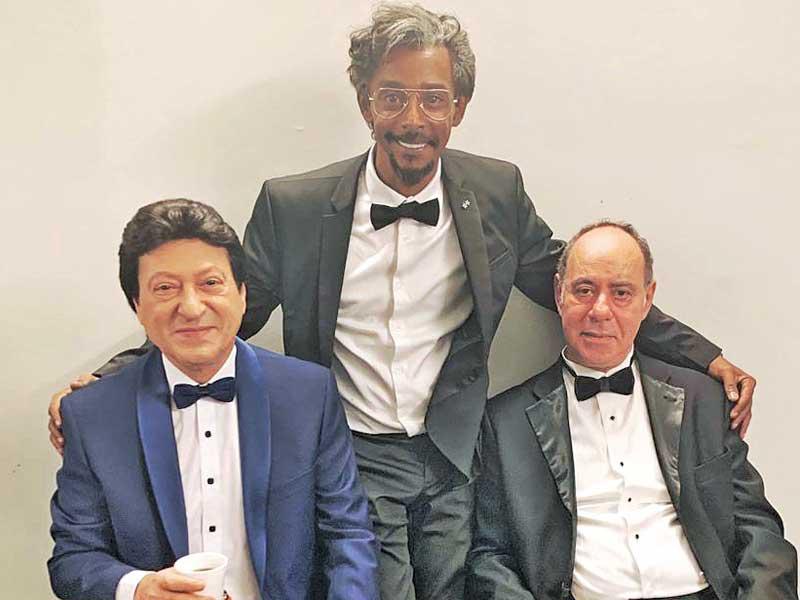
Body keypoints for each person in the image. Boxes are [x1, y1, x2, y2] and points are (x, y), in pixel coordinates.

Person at [48, 4, 756, 599]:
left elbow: (576, 286)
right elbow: (226, 309)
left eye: (433, 98)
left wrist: (705, 356)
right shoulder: (296, 206)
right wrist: (113, 378)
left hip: (455, 449)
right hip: (351, 450)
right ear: (365, 102)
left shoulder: (497, 192)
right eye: (392, 96)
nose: (412, 118)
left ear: (459, 107)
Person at [48, 199, 378, 600]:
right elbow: (74, 557)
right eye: (165, 288)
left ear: (242, 294)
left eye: (209, 283)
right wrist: (139, 589)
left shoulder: (309, 393)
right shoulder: (91, 414)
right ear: (138, 306)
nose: (191, 307)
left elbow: (348, 535)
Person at [469, 221, 797, 600]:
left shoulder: (702, 400)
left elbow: (758, 529)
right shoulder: (505, 422)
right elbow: (489, 557)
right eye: (584, 290)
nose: (600, 310)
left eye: (621, 293)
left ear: (647, 299)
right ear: (559, 294)